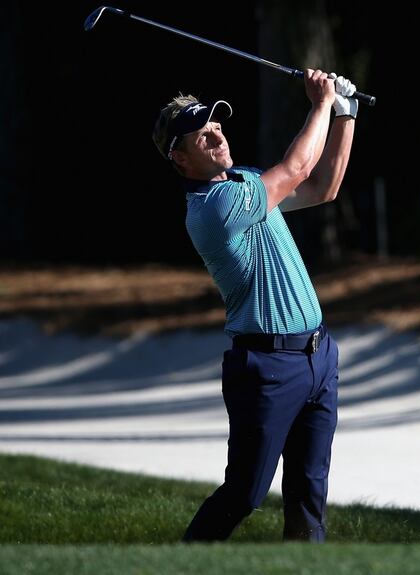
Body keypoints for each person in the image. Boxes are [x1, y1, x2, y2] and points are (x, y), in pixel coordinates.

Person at [151, 70, 358, 542]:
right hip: (265, 368)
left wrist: (345, 111)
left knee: (309, 500)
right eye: (199, 133)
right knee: (244, 493)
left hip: (318, 357)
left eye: (215, 124)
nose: (214, 133)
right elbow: (297, 170)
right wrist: (321, 103)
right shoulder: (214, 207)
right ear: (179, 159)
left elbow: (323, 187)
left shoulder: (245, 181)